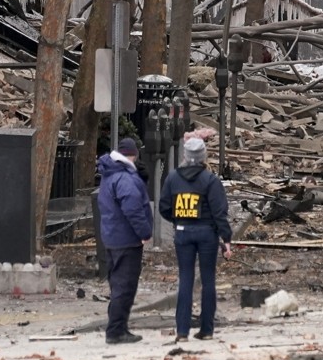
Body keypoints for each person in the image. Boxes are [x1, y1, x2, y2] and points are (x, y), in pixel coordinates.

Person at [159, 137, 233, 343]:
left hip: (183, 232)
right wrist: (226, 239)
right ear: (203, 157)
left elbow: (164, 207)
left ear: (185, 156)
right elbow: (220, 213)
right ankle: (207, 329)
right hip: (207, 234)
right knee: (208, 280)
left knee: (186, 279)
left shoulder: (173, 178)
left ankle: (182, 331)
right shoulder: (210, 180)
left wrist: (178, 220)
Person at [96, 137, 153, 345]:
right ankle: (116, 331)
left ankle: (118, 327)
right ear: (134, 155)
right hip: (126, 240)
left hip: (111, 237)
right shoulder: (125, 178)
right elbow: (133, 209)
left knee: (117, 285)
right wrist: (145, 232)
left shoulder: (109, 175)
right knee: (124, 286)